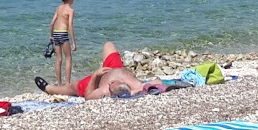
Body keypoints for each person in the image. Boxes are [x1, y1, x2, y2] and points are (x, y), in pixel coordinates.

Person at [33, 41, 164, 100]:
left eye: (112, 85)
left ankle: (50, 89)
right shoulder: (137, 86)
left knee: (74, 87)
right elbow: (158, 82)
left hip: (97, 80)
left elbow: (89, 97)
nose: (111, 84)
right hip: (113, 68)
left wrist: (96, 75)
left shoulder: (104, 90)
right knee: (109, 45)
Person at [47, 0, 76, 84]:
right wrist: (73, 42)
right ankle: (67, 83)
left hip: (56, 33)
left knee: (59, 59)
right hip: (63, 33)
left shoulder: (59, 8)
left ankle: (59, 84)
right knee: (68, 58)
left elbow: (51, 24)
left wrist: (51, 36)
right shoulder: (71, 10)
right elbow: (70, 26)